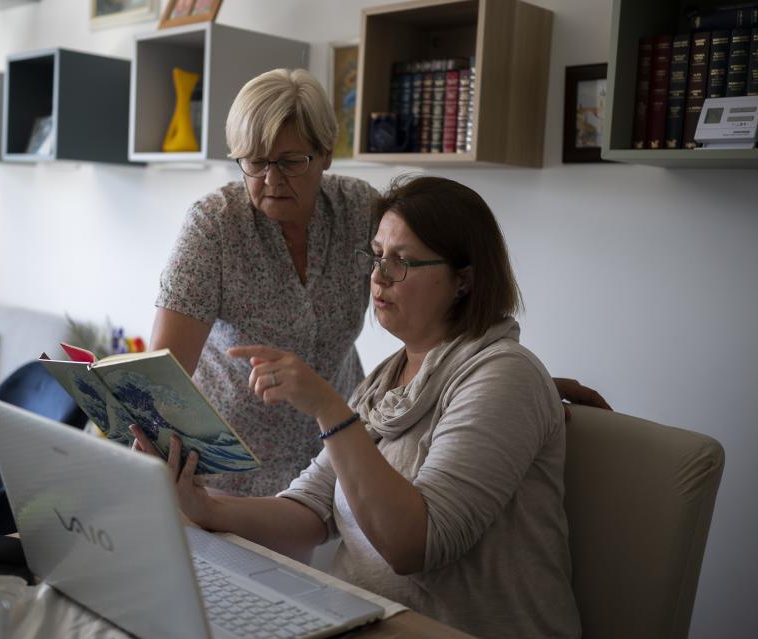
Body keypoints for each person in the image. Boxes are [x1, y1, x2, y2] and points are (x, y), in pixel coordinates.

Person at [134, 175, 582, 637]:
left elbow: (416, 547)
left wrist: (330, 409)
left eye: (403, 261)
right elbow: (309, 512)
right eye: (376, 255)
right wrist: (204, 507)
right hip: (359, 618)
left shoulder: (505, 376)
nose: (378, 277)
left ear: (463, 280)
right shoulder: (387, 378)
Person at [151, 68, 608, 497]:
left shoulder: (360, 211)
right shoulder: (214, 225)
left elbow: (435, 318)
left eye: (290, 162)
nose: (271, 179)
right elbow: (162, 375)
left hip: (335, 454)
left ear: (326, 153)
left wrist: (513, 383)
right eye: (254, 162)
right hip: (226, 468)